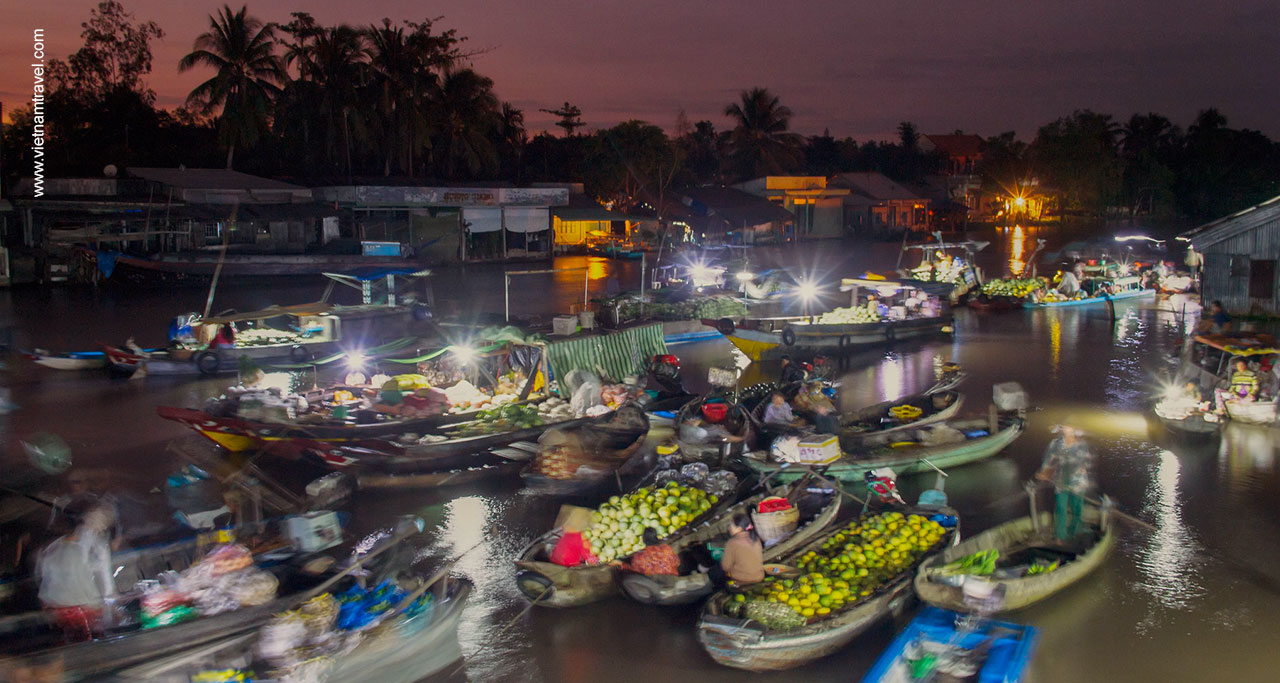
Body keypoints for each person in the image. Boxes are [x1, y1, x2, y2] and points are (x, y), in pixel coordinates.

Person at [37, 500, 116, 642]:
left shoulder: (98, 544)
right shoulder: (67, 546)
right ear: (86, 518)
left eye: (105, 521)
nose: (103, 525)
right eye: (101, 519)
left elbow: (103, 575)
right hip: (73, 606)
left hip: (81, 605)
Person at [1035, 426, 1095, 542]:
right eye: (1066, 427)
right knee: (1061, 508)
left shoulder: (1082, 444)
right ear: (1062, 429)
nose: (1068, 430)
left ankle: (1073, 532)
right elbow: (1048, 460)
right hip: (1061, 481)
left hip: (1078, 483)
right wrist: (1044, 472)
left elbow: (1086, 463)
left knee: (1076, 509)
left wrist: (1081, 468)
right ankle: (1060, 536)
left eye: (1071, 427)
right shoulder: (1056, 443)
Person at [716, 512, 764, 586]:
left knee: (716, 573)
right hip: (759, 577)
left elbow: (725, 567)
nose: (729, 528)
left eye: (731, 526)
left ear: (739, 529)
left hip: (742, 580)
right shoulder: (756, 539)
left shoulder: (732, 543)